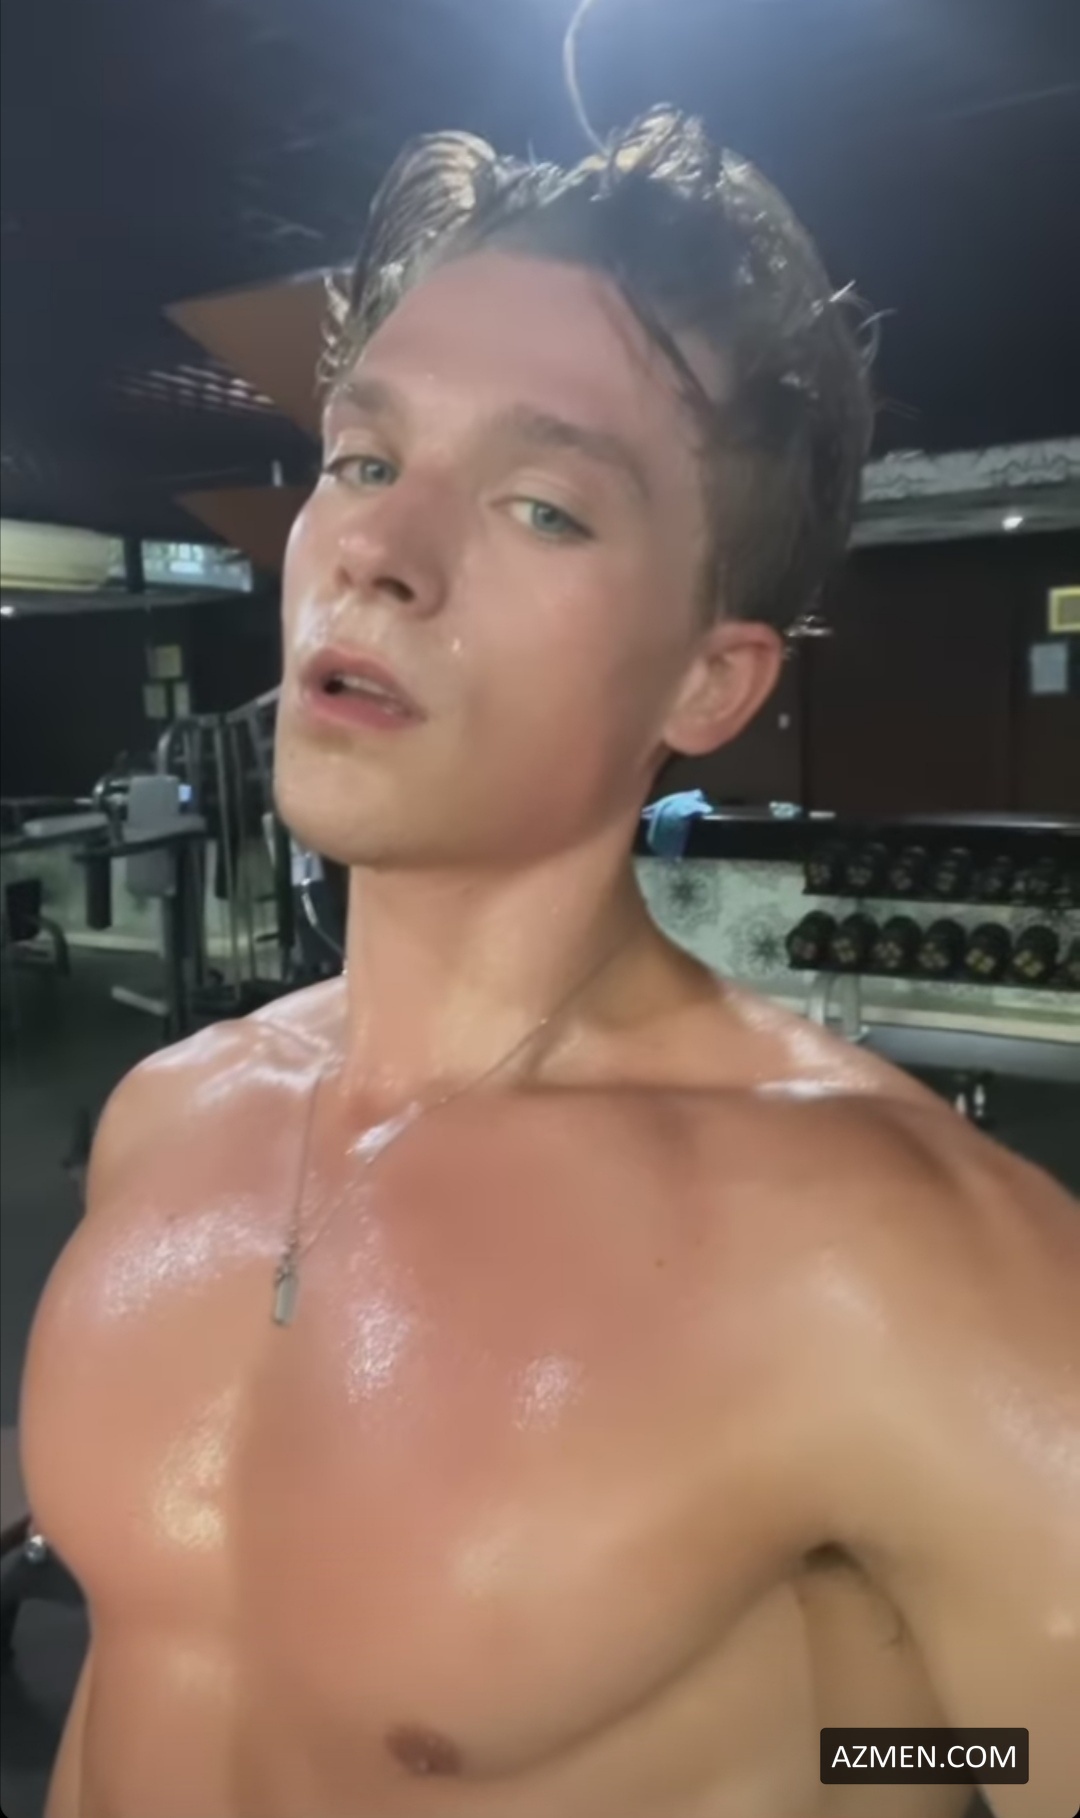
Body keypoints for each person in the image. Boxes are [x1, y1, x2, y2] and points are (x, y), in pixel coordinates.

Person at [20, 108, 1078, 1818]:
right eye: (367, 460)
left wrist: (860, 1757)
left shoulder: (900, 1266)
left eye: (540, 506)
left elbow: (1009, 1747)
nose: (377, 553)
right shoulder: (163, 1122)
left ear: (711, 683)